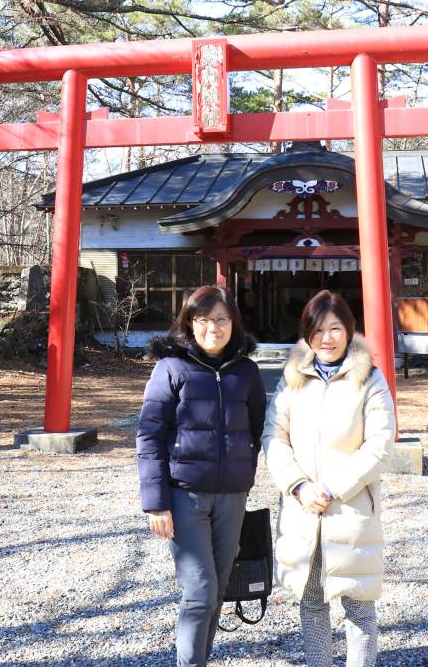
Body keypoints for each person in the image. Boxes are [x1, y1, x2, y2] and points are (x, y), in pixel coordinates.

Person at [262, 290, 396, 667]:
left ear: (349, 330)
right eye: (318, 330)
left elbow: (380, 446)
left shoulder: (370, 379)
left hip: (350, 509)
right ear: (307, 334)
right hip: (303, 509)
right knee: (312, 603)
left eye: (335, 328)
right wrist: (300, 486)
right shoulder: (292, 380)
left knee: (358, 607)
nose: (327, 338)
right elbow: (273, 437)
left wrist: (332, 487)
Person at [137, 285, 267, 667]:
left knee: (219, 587)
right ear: (189, 322)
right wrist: (156, 503)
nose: (214, 327)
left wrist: (245, 469)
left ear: (234, 323)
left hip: (232, 496)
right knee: (200, 591)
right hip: (184, 496)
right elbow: (149, 434)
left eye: (222, 319)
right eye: (204, 319)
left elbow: (260, 428)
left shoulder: (247, 371)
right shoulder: (171, 368)